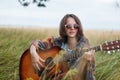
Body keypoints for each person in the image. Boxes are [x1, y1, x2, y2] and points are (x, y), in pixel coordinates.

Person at [30, 14, 96, 80]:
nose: (72, 28)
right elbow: (38, 43)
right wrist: (33, 53)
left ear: (78, 28)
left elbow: (80, 73)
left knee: (87, 60)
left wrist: (83, 61)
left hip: (74, 77)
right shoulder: (56, 42)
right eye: (68, 26)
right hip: (53, 77)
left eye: (75, 26)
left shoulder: (84, 45)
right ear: (63, 28)